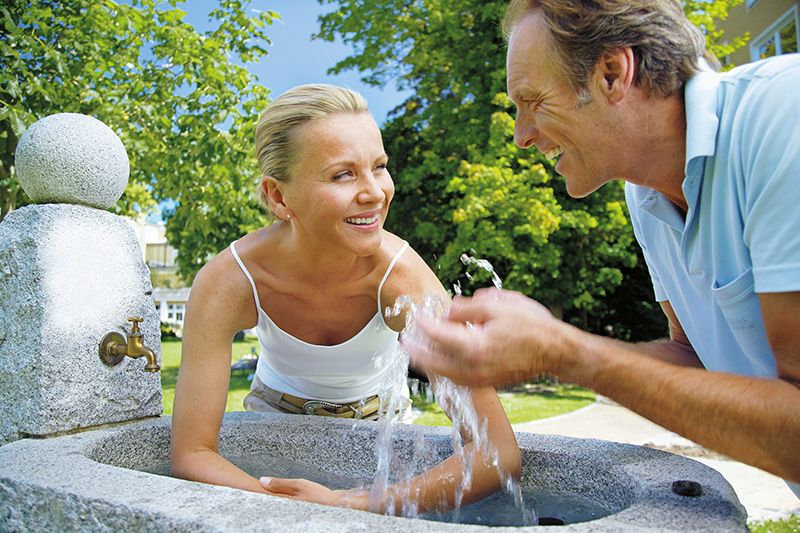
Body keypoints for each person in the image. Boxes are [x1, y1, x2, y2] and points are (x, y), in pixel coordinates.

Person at [405, 0, 800, 494]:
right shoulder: (645, 193)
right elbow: (694, 359)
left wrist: (566, 351)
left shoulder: (783, 116)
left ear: (613, 74)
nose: (522, 136)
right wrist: (543, 345)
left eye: (533, 100)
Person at [169, 84, 521, 513]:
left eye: (379, 167)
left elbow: (496, 452)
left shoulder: (402, 280)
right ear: (278, 196)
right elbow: (192, 452)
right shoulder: (230, 281)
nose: (375, 192)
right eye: (343, 174)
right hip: (274, 422)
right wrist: (290, 509)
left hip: (381, 427)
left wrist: (351, 503)